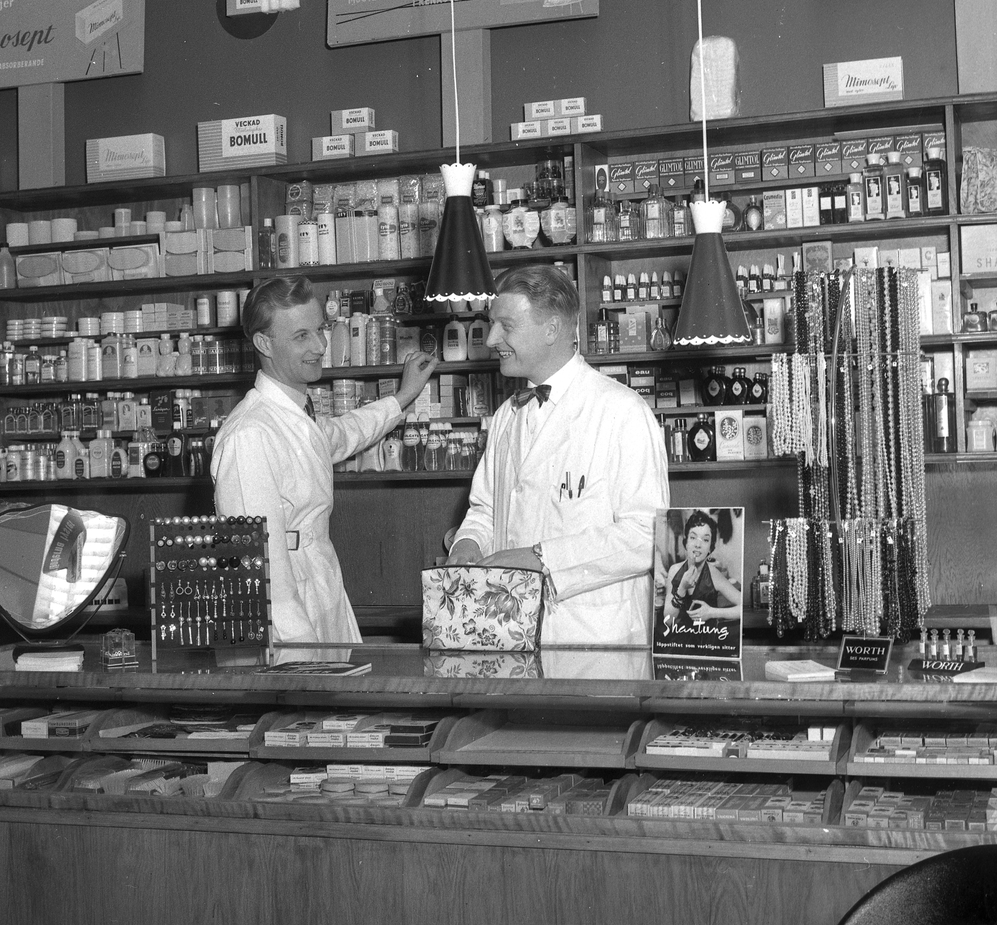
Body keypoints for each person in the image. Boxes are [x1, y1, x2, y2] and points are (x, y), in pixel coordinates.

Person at [448, 265, 669, 647]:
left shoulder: (622, 411)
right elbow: (485, 509)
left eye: (505, 326)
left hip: (596, 638)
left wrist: (542, 558)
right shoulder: (506, 417)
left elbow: (647, 534)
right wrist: (468, 543)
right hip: (510, 627)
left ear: (551, 329)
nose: (492, 339)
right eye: (492, 324)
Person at [212, 276, 437, 644]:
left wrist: (403, 396)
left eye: (320, 330)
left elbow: (344, 433)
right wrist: (300, 653)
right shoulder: (250, 434)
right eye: (302, 336)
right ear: (264, 343)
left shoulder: (295, 416)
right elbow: (259, 564)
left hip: (322, 585)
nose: (319, 346)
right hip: (286, 616)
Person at [662, 509, 741, 627]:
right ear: (686, 542)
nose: (698, 545)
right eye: (693, 537)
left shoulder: (713, 574)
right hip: (680, 636)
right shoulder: (674, 571)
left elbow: (742, 608)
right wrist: (682, 588)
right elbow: (668, 621)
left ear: (710, 547)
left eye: (705, 540)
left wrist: (712, 612)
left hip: (707, 637)